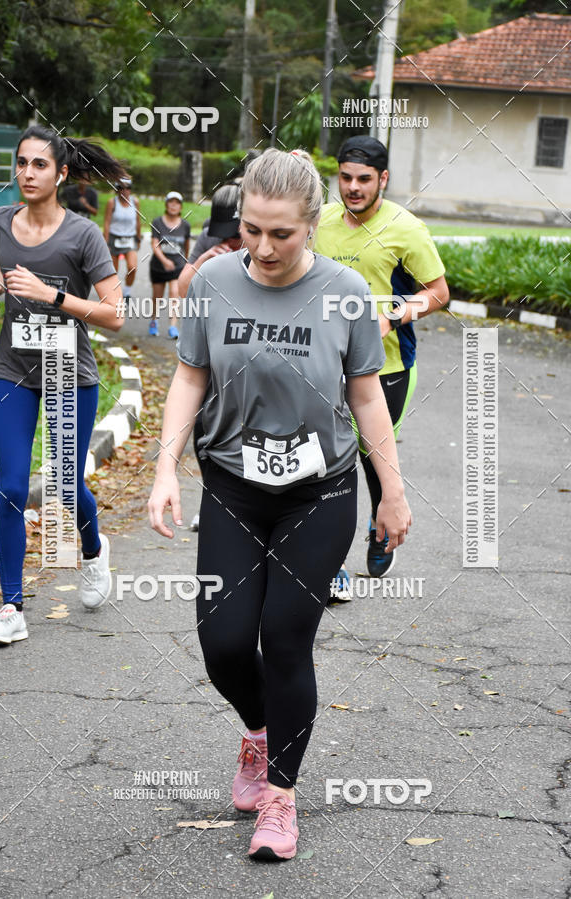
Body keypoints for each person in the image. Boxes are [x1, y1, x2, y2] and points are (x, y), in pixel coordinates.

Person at [148, 148, 411, 860]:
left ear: (312, 227)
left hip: (319, 490)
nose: (262, 248)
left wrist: (392, 488)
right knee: (225, 642)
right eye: (251, 231)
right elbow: (188, 378)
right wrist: (166, 466)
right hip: (233, 485)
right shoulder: (212, 284)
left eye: (281, 234)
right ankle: (258, 733)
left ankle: (282, 799)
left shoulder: (348, 292)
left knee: (286, 635)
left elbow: (365, 395)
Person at [0, 125, 125, 645]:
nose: (27, 173)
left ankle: (92, 549)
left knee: (63, 484)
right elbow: (7, 268)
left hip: (68, 371)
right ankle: (11, 608)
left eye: (39, 164)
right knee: (13, 485)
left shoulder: (82, 234)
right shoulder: (1, 220)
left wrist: (51, 296)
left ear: (61, 173)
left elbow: (114, 315)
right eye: (21, 163)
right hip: (12, 369)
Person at [315, 135, 449, 578]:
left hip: (387, 366)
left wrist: (396, 313)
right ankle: (329, 561)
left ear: (383, 179)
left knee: (373, 456)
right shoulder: (322, 222)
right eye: (346, 177)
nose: (353, 187)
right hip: (323, 363)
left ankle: (380, 524)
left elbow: (438, 294)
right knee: (326, 463)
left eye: (364, 180)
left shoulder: (406, 228)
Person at [176, 183, 243, 531]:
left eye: (236, 235)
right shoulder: (210, 241)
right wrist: (204, 260)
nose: (230, 242)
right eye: (224, 235)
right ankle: (214, 498)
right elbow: (182, 289)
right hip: (214, 354)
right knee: (204, 430)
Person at [148, 191, 190, 338]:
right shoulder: (157, 222)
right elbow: (154, 244)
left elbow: (186, 245)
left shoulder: (185, 225)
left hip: (177, 266)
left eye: (177, 202)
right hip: (158, 266)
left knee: (174, 293)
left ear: (180, 206)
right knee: (157, 297)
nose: (173, 205)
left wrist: (186, 263)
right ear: (166, 204)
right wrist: (164, 261)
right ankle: (154, 320)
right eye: (171, 202)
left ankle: (173, 327)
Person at [103, 177, 140, 303]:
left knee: (132, 267)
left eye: (127, 188)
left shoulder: (135, 202)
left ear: (130, 190)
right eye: (121, 188)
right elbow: (107, 222)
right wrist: (106, 242)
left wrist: (139, 238)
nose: (124, 191)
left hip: (130, 238)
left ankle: (127, 292)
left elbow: (138, 220)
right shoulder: (112, 202)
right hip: (114, 238)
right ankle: (113, 294)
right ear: (117, 190)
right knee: (113, 271)